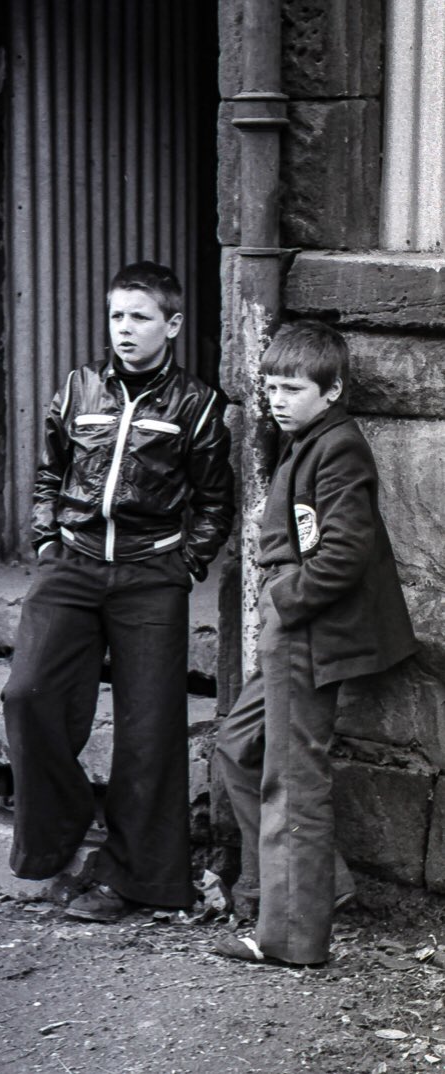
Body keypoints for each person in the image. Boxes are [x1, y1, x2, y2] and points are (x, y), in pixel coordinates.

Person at [2, 261, 235, 923]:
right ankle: (57, 835)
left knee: (148, 730)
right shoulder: (77, 388)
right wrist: (47, 541)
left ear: (172, 324)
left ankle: (134, 881)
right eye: (116, 316)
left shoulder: (196, 404)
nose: (125, 329)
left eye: (139, 317)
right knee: (28, 693)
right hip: (71, 566)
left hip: (148, 575)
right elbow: (50, 473)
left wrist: (184, 563)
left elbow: (216, 502)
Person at [213, 320, 417, 967]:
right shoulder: (304, 439)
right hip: (290, 625)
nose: (276, 399)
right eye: (269, 386)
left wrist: (281, 601)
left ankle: (293, 938)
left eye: (291, 388)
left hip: (305, 628)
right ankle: (317, 888)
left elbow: (344, 552)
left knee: (292, 782)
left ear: (329, 392)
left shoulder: (338, 448)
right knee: (237, 749)